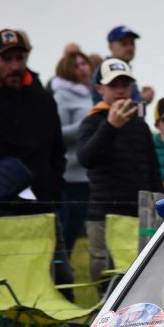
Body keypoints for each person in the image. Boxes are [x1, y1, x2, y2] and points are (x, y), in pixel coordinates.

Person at [77, 58, 163, 281]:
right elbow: (86, 158)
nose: (120, 90)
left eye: (125, 84)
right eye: (114, 85)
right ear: (99, 88)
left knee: (143, 276)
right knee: (105, 280)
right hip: (104, 215)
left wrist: (159, 209)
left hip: (139, 215)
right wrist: (110, 127)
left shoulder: (140, 124)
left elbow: (152, 170)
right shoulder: (93, 121)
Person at [0, 29, 67, 216]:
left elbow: (57, 152)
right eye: (6, 59)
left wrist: (53, 192)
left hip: (42, 207)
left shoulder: (43, 100)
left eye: (19, 58)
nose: (14, 66)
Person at [51, 51, 94, 252]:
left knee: (77, 220)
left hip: (88, 169)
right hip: (71, 172)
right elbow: (57, 132)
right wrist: (85, 124)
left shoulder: (90, 94)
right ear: (68, 69)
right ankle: (61, 260)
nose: (84, 68)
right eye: (77, 65)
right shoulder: (62, 96)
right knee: (71, 220)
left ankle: (65, 261)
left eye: (85, 64)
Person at [90, 26, 154, 110]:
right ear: (111, 47)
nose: (129, 48)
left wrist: (142, 102)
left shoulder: (126, 70)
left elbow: (140, 115)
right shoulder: (102, 71)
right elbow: (107, 110)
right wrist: (142, 100)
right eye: (124, 43)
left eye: (132, 43)